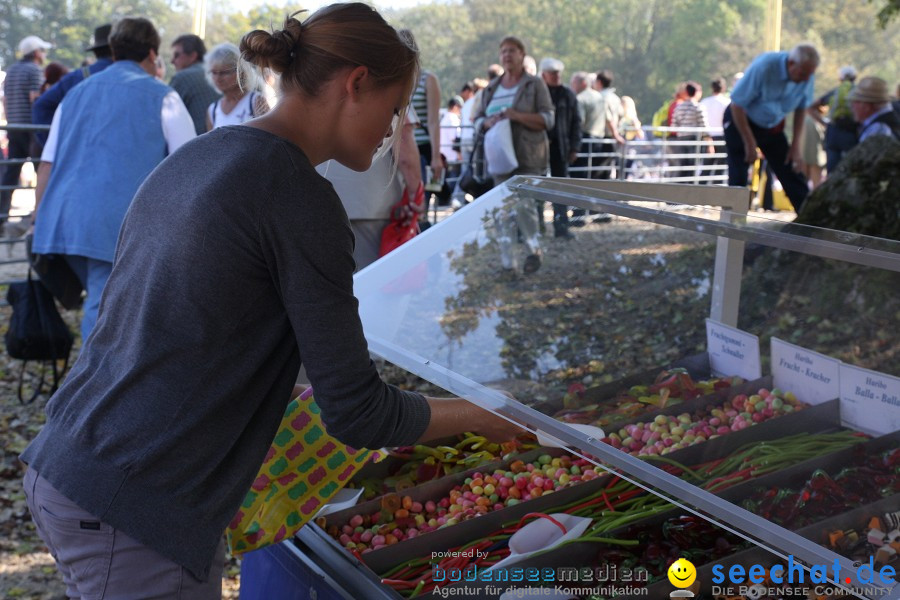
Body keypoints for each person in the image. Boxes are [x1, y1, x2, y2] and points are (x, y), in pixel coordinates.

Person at [21, 5, 521, 599]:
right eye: (392, 112)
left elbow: (173, 326)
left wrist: (271, 384)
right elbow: (359, 414)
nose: (392, 133)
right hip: (136, 502)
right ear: (355, 83)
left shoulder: (203, 154)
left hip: (73, 460)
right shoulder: (299, 195)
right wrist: (491, 414)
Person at [30, 17, 196, 342]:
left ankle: (98, 382)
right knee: (107, 310)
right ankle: (95, 387)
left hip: (65, 220)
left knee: (104, 302)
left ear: (114, 51)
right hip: (119, 225)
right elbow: (190, 165)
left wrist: (39, 218)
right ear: (152, 53)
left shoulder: (75, 93)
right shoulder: (164, 97)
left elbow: (46, 163)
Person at [472, 35, 553, 274]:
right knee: (502, 210)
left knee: (525, 205)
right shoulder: (492, 88)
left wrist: (517, 116)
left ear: (522, 54)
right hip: (499, 158)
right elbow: (477, 119)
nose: (507, 55)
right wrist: (487, 122)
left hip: (527, 155)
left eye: (512, 51)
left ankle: (533, 252)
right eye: (503, 51)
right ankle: (508, 263)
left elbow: (548, 119)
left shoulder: (534, 84)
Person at [724, 43, 819, 213]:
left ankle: (811, 221)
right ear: (791, 64)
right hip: (741, 120)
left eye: (810, 75)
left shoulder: (807, 76)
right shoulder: (765, 66)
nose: (806, 79)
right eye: (803, 74)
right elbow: (737, 105)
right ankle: (732, 227)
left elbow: (801, 109)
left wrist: (795, 146)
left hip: (772, 125)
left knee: (791, 167)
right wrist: (749, 142)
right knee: (739, 174)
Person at [33, 25, 114, 146]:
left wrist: (58, 144)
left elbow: (41, 106)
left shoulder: (76, 77)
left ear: (96, 52)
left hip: (84, 148)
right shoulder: (134, 79)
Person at [1, 35, 50, 228]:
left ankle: (2, 215)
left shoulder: (12, 70)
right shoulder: (34, 70)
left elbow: (5, 100)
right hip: (31, 129)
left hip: (14, 127)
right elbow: (35, 99)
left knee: (11, 173)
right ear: (37, 53)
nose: (45, 54)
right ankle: (39, 216)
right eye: (43, 51)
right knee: (41, 170)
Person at [539, 57, 580, 239]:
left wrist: (574, 147)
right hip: (538, 148)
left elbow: (576, 123)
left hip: (561, 148)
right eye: (552, 73)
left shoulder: (568, 95)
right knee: (536, 186)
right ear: (544, 75)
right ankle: (536, 227)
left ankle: (561, 226)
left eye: (558, 73)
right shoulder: (538, 93)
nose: (556, 77)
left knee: (560, 188)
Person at [402, 31, 443, 189]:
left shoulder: (428, 79)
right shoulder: (394, 81)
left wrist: (436, 156)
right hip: (399, 152)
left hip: (422, 149)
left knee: (421, 197)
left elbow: (433, 121)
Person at [205, 42, 270, 130]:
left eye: (224, 72)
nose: (218, 78)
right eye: (214, 73)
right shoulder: (213, 110)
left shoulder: (255, 101)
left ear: (240, 72)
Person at [170, 33, 221, 135]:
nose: (172, 61)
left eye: (176, 55)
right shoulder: (216, 73)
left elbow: (166, 118)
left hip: (195, 144)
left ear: (193, 56)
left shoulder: (182, 78)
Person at [810, 65, 858, 172]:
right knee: (851, 168)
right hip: (852, 132)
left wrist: (823, 123)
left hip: (833, 131)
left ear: (840, 78)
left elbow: (811, 107)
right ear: (855, 77)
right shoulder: (858, 91)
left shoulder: (835, 92)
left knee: (832, 169)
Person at [849, 76, 900, 141]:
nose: (852, 106)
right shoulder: (888, 122)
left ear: (866, 106)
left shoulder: (878, 129)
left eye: (856, 101)